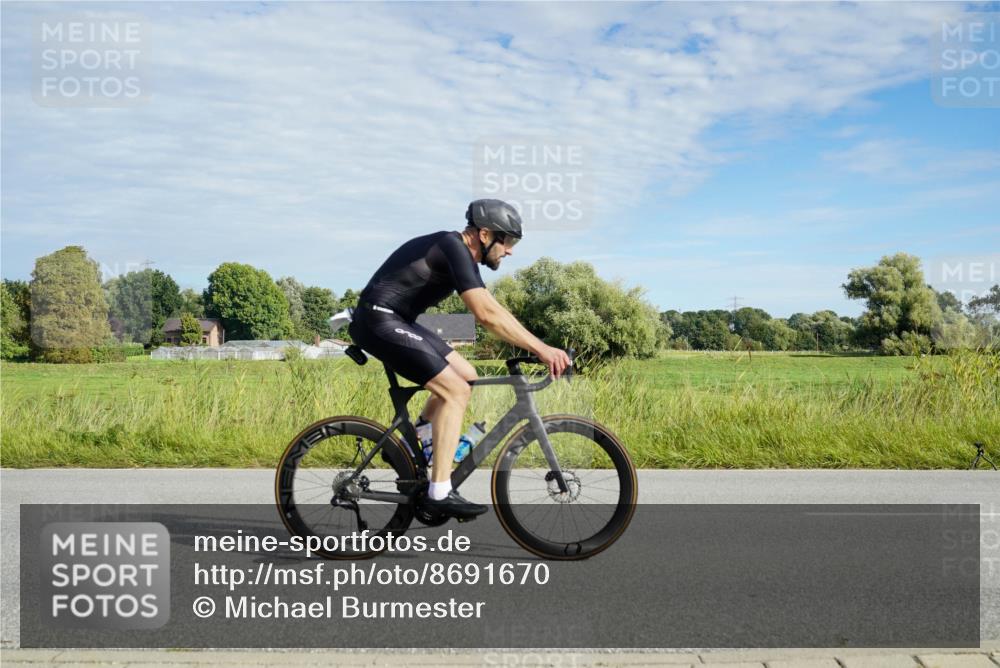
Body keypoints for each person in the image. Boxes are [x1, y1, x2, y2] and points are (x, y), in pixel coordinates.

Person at [348, 199, 571, 519]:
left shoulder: (458, 253)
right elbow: (485, 315)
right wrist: (541, 349)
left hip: (397, 319)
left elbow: (494, 308)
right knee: (455, 390)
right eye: (508, 241)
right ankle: (438, 492)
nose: (510, 251)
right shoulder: (453, 247)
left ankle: (415, 444)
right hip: (378, 321)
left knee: (466, 374)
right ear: (484, 234)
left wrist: (538, 344)